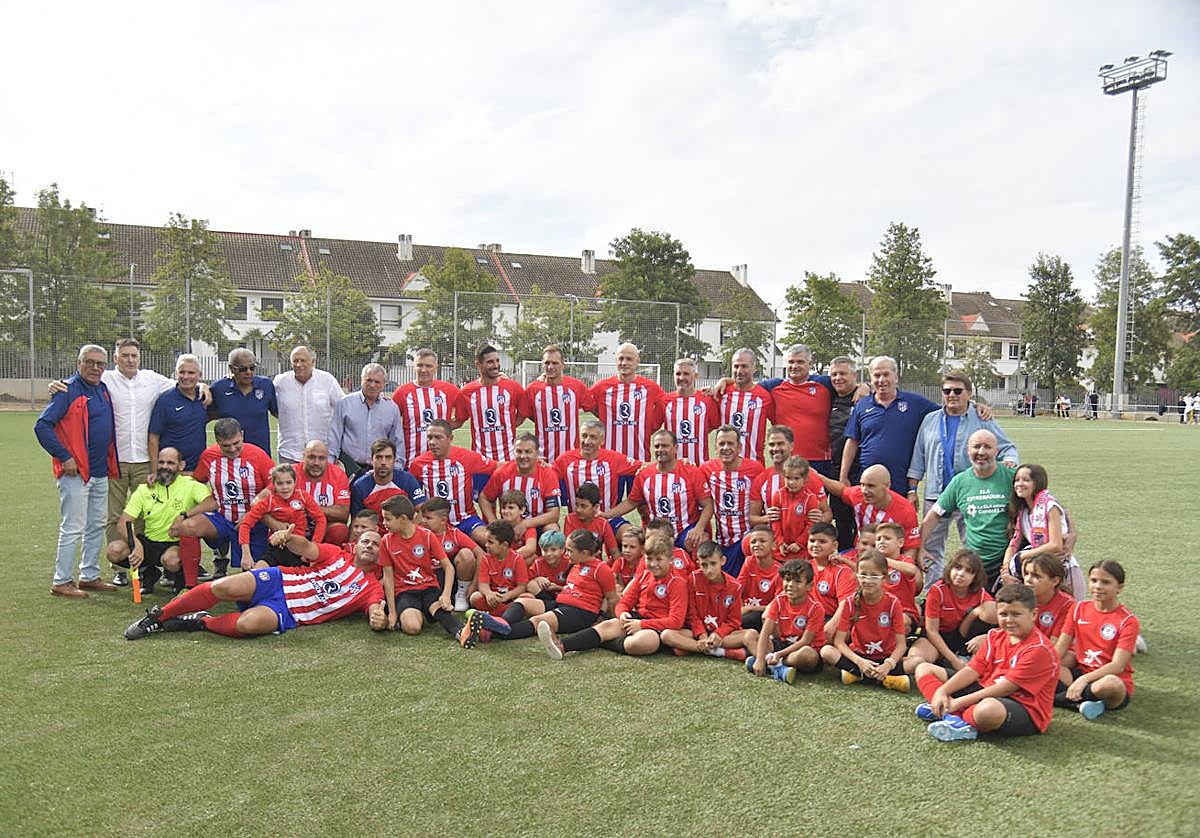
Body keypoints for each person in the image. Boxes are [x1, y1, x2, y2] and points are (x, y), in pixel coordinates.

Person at [123, 528, 388, 640]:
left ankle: (201, 621)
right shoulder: (336, 554)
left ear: (380, 554)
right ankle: (158, 618)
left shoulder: (371, 586)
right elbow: (306, 547)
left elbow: (375, 611)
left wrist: (378, 618)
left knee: (246, 625)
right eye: (365, 541)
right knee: (222, 587)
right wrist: (289, 536)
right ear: (355, 546)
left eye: (376, 544)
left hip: (290, 612)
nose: (370, 546)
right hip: (278, 580)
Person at [907, 370, 1018, 589]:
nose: (952, 395)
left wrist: (1010, 462)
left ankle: (979, 590)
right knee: (930, 547)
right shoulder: (930, 420)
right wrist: (912, 489)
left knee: (974, 548)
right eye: (947, 391)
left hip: (971, 495)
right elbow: (918, 456)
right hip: (936, 493)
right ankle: (933, 594)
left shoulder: (981, 417)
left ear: (969, 393)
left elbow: (1007, 447)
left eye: (958, 391)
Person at [911, 583, 1059, 741]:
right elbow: (971, 671)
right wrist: (943, 691)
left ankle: (949, 712)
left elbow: (1004, 689)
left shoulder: (1038, 649)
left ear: (1034, 614)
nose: (1009, 620)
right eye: (1003, 614)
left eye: (1016, 614)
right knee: (924, 669)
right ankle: (951, 715)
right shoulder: (995, 635)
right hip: (986, 690)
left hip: (1022, 706)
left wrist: (958, 702)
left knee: (987, 710)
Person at [35, 344, 120, 598]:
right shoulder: (67, 390)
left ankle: (89, 575)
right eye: (89, 362)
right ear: (78, 363)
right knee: (73, 527)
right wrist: (64, 457)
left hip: (100, 471)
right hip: (76, 472)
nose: (95, 368)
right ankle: (61, 581)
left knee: (96, 525)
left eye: (100, 364)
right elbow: (42, 426)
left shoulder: (103, 389)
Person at [537, 534, 686, 660]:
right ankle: (562, 646)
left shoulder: (677, 582)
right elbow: (625, 602)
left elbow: (676, 621)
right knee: (609, 624)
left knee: (642, 642)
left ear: (670, 559)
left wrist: (642, 625)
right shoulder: (644, 575)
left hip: (657, 627)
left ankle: (600, 641)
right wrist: (623, 614)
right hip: (637, 619)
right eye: (649, 559)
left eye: (659, 559)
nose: (653, 564)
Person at [171, 417, 274, 575]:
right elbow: (197, 480)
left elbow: (274, 486)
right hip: (221, 519)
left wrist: (254, 511)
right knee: (188, 527)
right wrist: (171, 476)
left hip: (255, 521)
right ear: (217, 441)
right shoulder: (209, 456)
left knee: (253, 573)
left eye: (236, 443)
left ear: (242, 435)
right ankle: (189, 585)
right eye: (226, 446)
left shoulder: (258, 455)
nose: (232, 449)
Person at [106, 446, 212, 596]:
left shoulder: (191, 484)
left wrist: (185, 515)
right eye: (161, 462)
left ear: (181, 466)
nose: (165, 467)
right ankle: (148, 572)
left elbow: (211, 503)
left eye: (170, 463)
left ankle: (180, 579)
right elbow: (123, 522)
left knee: (171, 560)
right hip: (148, 542)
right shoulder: (145, 488)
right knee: (114, 551)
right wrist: (136, 545)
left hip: (174, 543)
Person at [918, 430, 1014, 589]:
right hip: (975, 564)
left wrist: (1070, 532)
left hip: (1007, 563)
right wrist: (919, 546)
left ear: (996, 451)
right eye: (976, 447)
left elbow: (1042, 502)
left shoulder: (1012, 477)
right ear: (967, 450)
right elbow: (935, 514)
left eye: (987, 447)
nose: (981, 452)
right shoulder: (960, 482)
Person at [487, 530, 618, 645]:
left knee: (538, 621)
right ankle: (500, 624)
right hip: (561, 604)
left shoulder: (601, 568)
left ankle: (491, 632)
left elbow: (611, 598)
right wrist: (559, 589)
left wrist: (608, 620)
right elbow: (577, 588)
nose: (566, 554)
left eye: (570, 551)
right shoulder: (576, 564)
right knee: (522, 602)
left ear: (584, 553)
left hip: (580, 612)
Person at [841, 355, 939, 496]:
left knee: (899, 518)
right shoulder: (862, 405)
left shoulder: (915, 403)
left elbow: (947, 410)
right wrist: (843, 476)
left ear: (896, 377)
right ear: (871, 379)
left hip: (900, 483)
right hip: (868, 484)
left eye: (886, 374)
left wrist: (973, 405)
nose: (882, 380)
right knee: (870, 518)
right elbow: (852, 441)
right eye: (877, 375)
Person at [1054, 560, 1139, 720]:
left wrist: (1084, 680)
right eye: (1094, 581)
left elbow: (1117, 666)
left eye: (1105, 582)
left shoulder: (1128, 621)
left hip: (1107, 680)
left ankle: (1059, 700)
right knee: (1052, 667)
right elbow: (1060, 649)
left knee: (1111, 684)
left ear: (1119, 587)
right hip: (1080, 673)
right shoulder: (1078, 608)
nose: (1098, 586)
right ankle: (1086, 703)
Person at [603, 429, 713, 554]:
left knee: (701, 541)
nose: (660, 449)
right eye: (657, 446)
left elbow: (708, 505)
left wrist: (698, 529)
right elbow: (631, 502)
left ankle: (693, 572)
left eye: (665, 446)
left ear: (675, 448)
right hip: (656, 533)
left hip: (685, 530)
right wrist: (607, 515)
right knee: (628, 539)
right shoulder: (644, 474)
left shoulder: (691, 472)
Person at [818, 549, 911, 692]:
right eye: (863, 575)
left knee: (917, 662)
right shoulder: (850, 602)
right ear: (857, 576)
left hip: (885, 657)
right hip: (859, 657)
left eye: (874, 576)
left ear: (884, 578)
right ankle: (887, 679)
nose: (867, 580)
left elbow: (901, 645)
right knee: (826, 651)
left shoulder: (893, 603)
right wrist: (859, 662)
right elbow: (839, 642)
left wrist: (889, 664)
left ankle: (858, 676)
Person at [378, 495, 463, 640]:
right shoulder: (386, 541)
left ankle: (461, 632)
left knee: (440, 611)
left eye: (388, 519)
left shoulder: (427, 536)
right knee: (412, 627)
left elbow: (448, 567)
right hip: (405, 592)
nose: (384, 523)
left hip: (428, 587)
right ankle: (415, 613)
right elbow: (388, 578)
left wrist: (446, 595)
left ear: (403, 519)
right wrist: (392, 612)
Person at [661, 541, 755, 661]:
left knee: (751, 634)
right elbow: (692, 614)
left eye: (713, 564)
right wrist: (701, 634)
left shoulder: (735, 586)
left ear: (723, 561)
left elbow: (734, 621)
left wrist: (718, 634)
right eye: (704, 565)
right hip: (697, 633)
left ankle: (692, 648)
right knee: (667, 635)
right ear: (698, 563)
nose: (709, 569)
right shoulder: (692, 580)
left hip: (722, 635)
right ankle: (722, 652)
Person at [903, 549, 993, 675]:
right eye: (958, 567)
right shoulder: (938, 590)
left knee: (990, 609)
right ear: (950, 568)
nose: (961, 574)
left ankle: (962, 657)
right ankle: (889, 669)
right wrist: (953, 660)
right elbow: (932, 631)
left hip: (963, 639)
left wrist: (986, 637)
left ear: (975, 577)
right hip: (935, 638)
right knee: (916, 660)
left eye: (968, 571)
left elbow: (999, 616)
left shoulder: (980, 593)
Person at [1001, 463, 1085, 597]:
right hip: (1038, 573)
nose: (1020, 484)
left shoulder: (1050, 506)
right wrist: (1005, 572)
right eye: (1017, 480)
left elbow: (1056, 545)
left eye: (1026, 480)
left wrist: (1022, 556)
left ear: (1037, 483)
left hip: (1062, 570)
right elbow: (1013, 544)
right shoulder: (1023, 512)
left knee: (1071, 612)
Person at [408, 419, 496, 544]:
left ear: (450, 438)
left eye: (438, 438)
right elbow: (413, 495)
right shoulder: (418, 464)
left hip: (466, 519)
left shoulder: (467, 457)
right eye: (429, 438)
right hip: (433, 522)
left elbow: (498, 467)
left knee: (488, 539)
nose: (432, 442)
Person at [554, 419, 643, 541]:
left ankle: (619, 560)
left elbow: (642, 468)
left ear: (602, 441)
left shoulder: (614, 458)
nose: (587, 441)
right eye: (584, 436)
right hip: (578, 521)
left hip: (609, 518)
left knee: (635, 538)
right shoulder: (565, 460)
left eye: (593, 437)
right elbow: (547, 473)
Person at [699, 425, 764, 575]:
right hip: (721, 541)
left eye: (730, 444)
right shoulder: (706, 469)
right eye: (721, 444)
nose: (726, 448)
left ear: (739, 447)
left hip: (746, 538)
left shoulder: (755, 469)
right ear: (715, 447)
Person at [821, 464, 921, 562]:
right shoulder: (858, 495)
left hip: (888, 561)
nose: (864, 490)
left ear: (887, 486)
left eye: (871, 486)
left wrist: (898, 571)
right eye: (862, 484)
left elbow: (910, 549)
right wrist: (817, 476)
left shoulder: (905, 511)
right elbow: (841, 490)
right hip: (860, 554)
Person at [748, 558, 825, 682]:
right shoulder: (779, 600)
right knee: (751, 636)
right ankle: (774, 666)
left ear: (810, 586)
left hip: (803, 649)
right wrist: (760, 659)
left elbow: (805, 641)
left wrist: (778, 655)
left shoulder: (816, 608)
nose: (791, 585)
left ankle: (773, 663)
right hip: (782, 644)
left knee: (808, 656)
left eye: (798, 581)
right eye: (787, 580)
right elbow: (765, 632)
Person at [588, 342, 665, 462]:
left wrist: (650, 426)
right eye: (621, 359)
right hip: (608, 461)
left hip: (639, 460)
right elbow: (584, 400)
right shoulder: (602, 387)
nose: (624, 363)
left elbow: (669, 403)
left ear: (637, 361)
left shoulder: (651, 388)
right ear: (616, 360)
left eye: (629, 359)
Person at [238, 463, 325, 567]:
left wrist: (314, 546)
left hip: (299, 548)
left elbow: (321, 519)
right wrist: (246, 554)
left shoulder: (303, 496)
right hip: (276, 548)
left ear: (295, 482)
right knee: (257, 574)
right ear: (273, 484)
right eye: (280, 483)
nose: (285, 487)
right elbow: (245, 524)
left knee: (303, 579)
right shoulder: (269, 501)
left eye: (288, 482)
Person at [454, 343, 528, 461]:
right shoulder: (467, 392)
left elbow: (524, 413)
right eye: (490, 362)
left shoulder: (512, 387)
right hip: (480, 462)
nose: (496, 365)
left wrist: (509, 424)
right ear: (478, 364)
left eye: (497, 361)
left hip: (509, 460)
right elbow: (459, 420)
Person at [747, 425, 829, 531]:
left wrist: (820, 519)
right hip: (774, 540)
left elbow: (827, 513)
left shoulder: (809, 476)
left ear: (791, 446)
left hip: (803, 541)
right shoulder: (762, 479)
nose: (775, 448)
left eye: (780, 444)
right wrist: (767, 518)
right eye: (772, 445)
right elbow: (752, 518)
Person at [478, 432, 562, 534]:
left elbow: (554, 514)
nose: (523, 456)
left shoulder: (548, 474)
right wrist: (494, 522)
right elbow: (484, 498)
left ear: (537, 453)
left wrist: (525, 524)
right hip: (509, 527)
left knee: (552, 529)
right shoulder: (503, 472)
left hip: (538, 525)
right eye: (519, 451)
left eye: (528, 452)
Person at [329, 363, 404, 477]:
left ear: (384, 384)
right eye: (368, 380)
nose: (372, 385)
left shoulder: (391, 408)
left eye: (377, 382)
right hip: (348, 468)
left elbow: (397, 441)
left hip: (379, 471)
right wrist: (330, 465)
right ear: (361, 380)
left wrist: (397, 469)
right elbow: (334, 437)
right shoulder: (344, 403)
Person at [273, 346, 344, 464]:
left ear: (313, 362)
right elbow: (270, 405)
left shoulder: (327, 381)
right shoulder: (280, 382)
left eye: (303, 360)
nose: (299, 364)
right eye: (295, 361)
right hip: (289, 452)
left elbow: (343, 407)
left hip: (321, 453)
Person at [391, 348, 460, 467]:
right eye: (419, 365)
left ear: (435, 367)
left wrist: (447, 427)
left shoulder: (449, 390)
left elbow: (468, 408)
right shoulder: (402, 392)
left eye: (428, 366)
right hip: (411, 462)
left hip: (441, 464)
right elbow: (389, 421)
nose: (423, 370)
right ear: (414, 366)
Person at [525, 344, 592, 463]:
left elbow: (595, 408)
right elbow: (522, 416)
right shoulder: (532, 389)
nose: (550, 367)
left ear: (563, 364)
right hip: (542, 460)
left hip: (572, 460)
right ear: (542, 364)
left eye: (555, 363)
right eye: (547, 363)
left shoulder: (577, 387)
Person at [148, 353, 210, 474]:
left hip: (198, 470)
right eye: (182, 372)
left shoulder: (205, 398)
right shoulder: (165, 400)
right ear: (176, 374)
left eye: (191, 373)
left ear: (200, 375)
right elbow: (153, 437)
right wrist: (155, 470)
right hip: (172, 471)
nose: (185, 376)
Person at [210, 348, 277, 457]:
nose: (248, 372)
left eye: (252, 368)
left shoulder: (266, 385)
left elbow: (277, 412)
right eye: (243, 369)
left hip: (260, 454)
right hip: (230, 455)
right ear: (231, 369)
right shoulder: (218, 389)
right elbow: (206, 416)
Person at [348, 439, 428, 530]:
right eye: (379, 457)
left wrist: (410, 532)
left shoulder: (407, 480)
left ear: (394, 460)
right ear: (371, 460)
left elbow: (422, 510)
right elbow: (357, 521)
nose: (383, 462)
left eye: (388, 457)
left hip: (402, 535)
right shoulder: (359, 487)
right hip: (374, 538)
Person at [421, 497, 485, 611]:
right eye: (423, 517)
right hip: (426, 577)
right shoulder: (419, 533)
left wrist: (474, 584)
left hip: (450, 576)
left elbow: (481, 554)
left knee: (466, 554)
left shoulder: (454, 534)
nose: (424, 521)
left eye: (428, 518)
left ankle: (462, 594)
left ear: (443, 520)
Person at [827, 356, 864, 550]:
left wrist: (864, 387)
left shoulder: (865, 398)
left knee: (862, 523)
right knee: (840, 520)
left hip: (860, 471)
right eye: (834, 374)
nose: (838, 378)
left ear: (854, 376)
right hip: (834, 470)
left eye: (843, 373)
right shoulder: (828, 395)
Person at [716, 349, 775, 463]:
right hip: (724, 467)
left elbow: (777, 424)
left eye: (744, 366)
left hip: (754, 466)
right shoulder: (721, 393)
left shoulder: (764, 397)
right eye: (736, 366)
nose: (739, 371)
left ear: (754, 368)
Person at [663, 357, 720, 465]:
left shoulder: (706, 400)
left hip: (700, 467)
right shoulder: (665, 401)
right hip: (672, 467)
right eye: (678, 374)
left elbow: (715, 424)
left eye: (686, 374)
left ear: (695, 376)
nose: (681, 377)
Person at [468, 519, 529, 619]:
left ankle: (492, 615)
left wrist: (507, 596)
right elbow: (483, 584)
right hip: (493, 599)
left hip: (511, 597)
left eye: (490, 542)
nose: (486, 545)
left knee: (527, 598)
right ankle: (507, 615)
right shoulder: (486, 559)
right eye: (486, 541)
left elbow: (522, 587)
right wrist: (488, 594)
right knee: (475, 597)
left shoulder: (518, 559)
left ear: (504, 545)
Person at [295, 440, 352, 545]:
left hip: (325, 526)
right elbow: (267, 500)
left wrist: (310, 508)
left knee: (339, 531)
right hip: (294, 526)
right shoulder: (291, 473)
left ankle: (327, 559)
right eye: (311, 457)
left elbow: (343, 514)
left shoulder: (338, 474)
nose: (316, 463)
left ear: (327, 459)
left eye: (321, 458)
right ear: (303, 457)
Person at [806, 522, 855, 640]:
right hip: (805, 617)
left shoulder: (842, 571)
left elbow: (845, 604)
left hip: (830, 618)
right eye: (812, 541)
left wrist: (832, 625)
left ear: (834, 545)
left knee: (836, 634)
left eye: (822, 542)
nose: (816, 545)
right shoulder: (803, 567)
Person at [770, 456, 823, 559]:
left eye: (796, 478)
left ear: (805, 479)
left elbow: (811, 525)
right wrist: (780, 542)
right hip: (782, 550)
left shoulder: (810, 499)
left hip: (801, 551)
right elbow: (775, 521)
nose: (791, 482)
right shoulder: (778, 495)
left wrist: (799, 543)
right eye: (788, 478)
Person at [873, 521, 920, 634]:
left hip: (904, 611)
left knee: (901, 620)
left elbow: (912, 570)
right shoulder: (873, 564)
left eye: (887, 538)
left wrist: (886, 561)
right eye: (878, 539)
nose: (881, 542)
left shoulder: (905, 560)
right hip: (878, 611)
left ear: (900, 542)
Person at [1021, 553, 1074, 645]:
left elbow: (1055, 645)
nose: (1028, 579)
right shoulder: (1019, 599)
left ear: (1055, 581)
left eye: (1036, 576)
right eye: (1026, 574)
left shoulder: (1067, 605)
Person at [737, 526, 782, 631]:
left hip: (764, 614)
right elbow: (737, 590)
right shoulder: (749, 562)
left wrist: (750, 608)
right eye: (753, 542)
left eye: (762, 541)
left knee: (746, 621)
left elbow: (777, 604)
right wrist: (739, 608)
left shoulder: (780, 571)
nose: (757, 545)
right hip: (745, 610)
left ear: (774, 546)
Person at [561, 482, 619, 562]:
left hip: (595, 565)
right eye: (577, 504)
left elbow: (614, 552)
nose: (578, 509)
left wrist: (616, 571)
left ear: (596, 507)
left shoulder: (602, 523)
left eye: (583, 506)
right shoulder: (570, 519)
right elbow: (567, 549)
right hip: (574, 565)